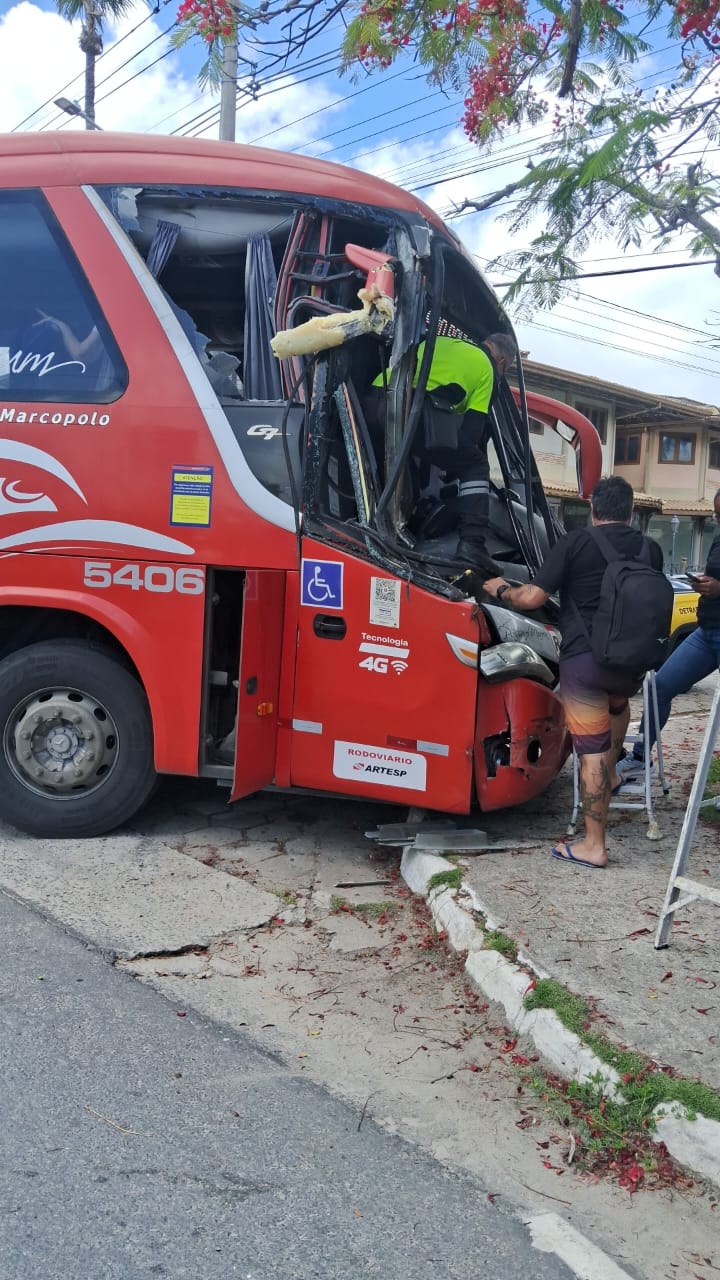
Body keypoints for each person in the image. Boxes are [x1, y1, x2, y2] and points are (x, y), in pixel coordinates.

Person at [484, 475, 663, 870]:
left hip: (586, 661)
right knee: (618, 709)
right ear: (631, 511)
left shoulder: (576, 542)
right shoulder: (650, 549)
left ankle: (593, 845)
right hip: (631, 664)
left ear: (593, 509)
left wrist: (498, 589)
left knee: (591, 751)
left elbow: (531, 597)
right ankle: (612, 777)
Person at [370, 332, 517, 576]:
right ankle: (472, 544)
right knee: (475, 464)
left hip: (376, 397)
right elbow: (472, 432)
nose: (501, 374)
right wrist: (455, 469)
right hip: (408, 408)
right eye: (506, 369)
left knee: (404, 464)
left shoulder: (447, 342)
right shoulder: (487, 369)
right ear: (501, 361)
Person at [617, 488, 720, 782]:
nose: (718, 519)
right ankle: (639, 759)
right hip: (706, 631)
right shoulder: (718, 540)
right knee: (659, 687)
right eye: (716, 514)